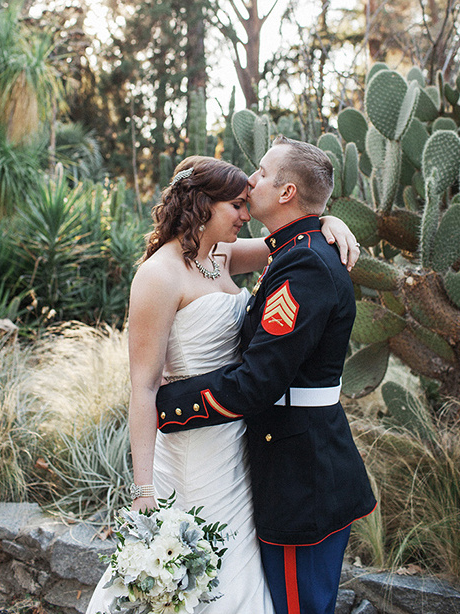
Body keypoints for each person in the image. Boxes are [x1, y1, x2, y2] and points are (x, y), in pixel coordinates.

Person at [86, 153, 360, 614]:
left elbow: (294, 242)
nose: (246, 211)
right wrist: (143, 490)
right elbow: (143, 388)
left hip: (237, 444)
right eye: (236, 204)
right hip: (190, 447)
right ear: (203, 205)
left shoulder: (222, 256)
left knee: (238, 572)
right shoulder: (158, 274)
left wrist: (330, 219)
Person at [156, 137, 377, 614]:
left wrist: (164, 406)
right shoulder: (292, 251)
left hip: (304, 477)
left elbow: (257, 381)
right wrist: (324, 220)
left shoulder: (306, 265)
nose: (250, 179)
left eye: (260, 172)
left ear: (285, 192)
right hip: (279, 460)